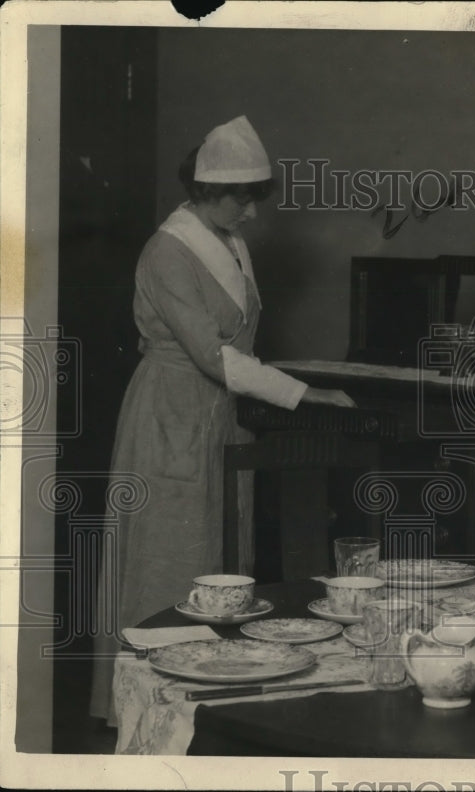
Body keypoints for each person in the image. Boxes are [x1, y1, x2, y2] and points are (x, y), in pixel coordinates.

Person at [90, 116, 354, 723]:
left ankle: (215, 701)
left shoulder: (229, 241)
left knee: (222, 548)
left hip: (221, 415)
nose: (253, 213)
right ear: (208, 191)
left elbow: (236, 346)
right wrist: (304, 393)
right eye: (245, 199)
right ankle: (154, 706)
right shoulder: (167, 251)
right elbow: (213, 355)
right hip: (171, 414)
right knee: (170, 553)